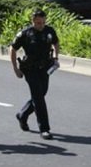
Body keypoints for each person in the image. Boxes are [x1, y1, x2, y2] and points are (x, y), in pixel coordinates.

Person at [10, 9, 60, 140]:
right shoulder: (25, 33)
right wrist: (15, 68)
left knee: (42, 93)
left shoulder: (49, 31)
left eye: (43, 22)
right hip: (30, 69)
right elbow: (12, 48)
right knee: (38, 98)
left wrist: (55, 57)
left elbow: (55, 43)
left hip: (45, 68)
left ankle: (23, 114)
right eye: (38, 23)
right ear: (32, 21)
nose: (41, 25)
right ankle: (44, 129)